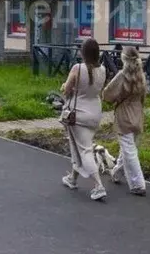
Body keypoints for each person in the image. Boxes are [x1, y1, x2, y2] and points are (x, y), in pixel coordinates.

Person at [60, 38, 107, 201]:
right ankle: (72, 178)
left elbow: (67, 90)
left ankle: (98, 185)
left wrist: (65, 87)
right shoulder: (103, 69)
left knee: (85, 150)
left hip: (78, 115)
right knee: (79, 146)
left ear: (83, 52)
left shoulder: (77, 68)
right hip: (95, 113)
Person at [102, 46, 148, 196]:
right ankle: (116, 172)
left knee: (129, 150)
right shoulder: (141, 75)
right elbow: (144, 96)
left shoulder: (122, 76)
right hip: (138, 112)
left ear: (124, 59)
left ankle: (138, 184)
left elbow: (108, 94)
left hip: (124, 114)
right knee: (129, 146)